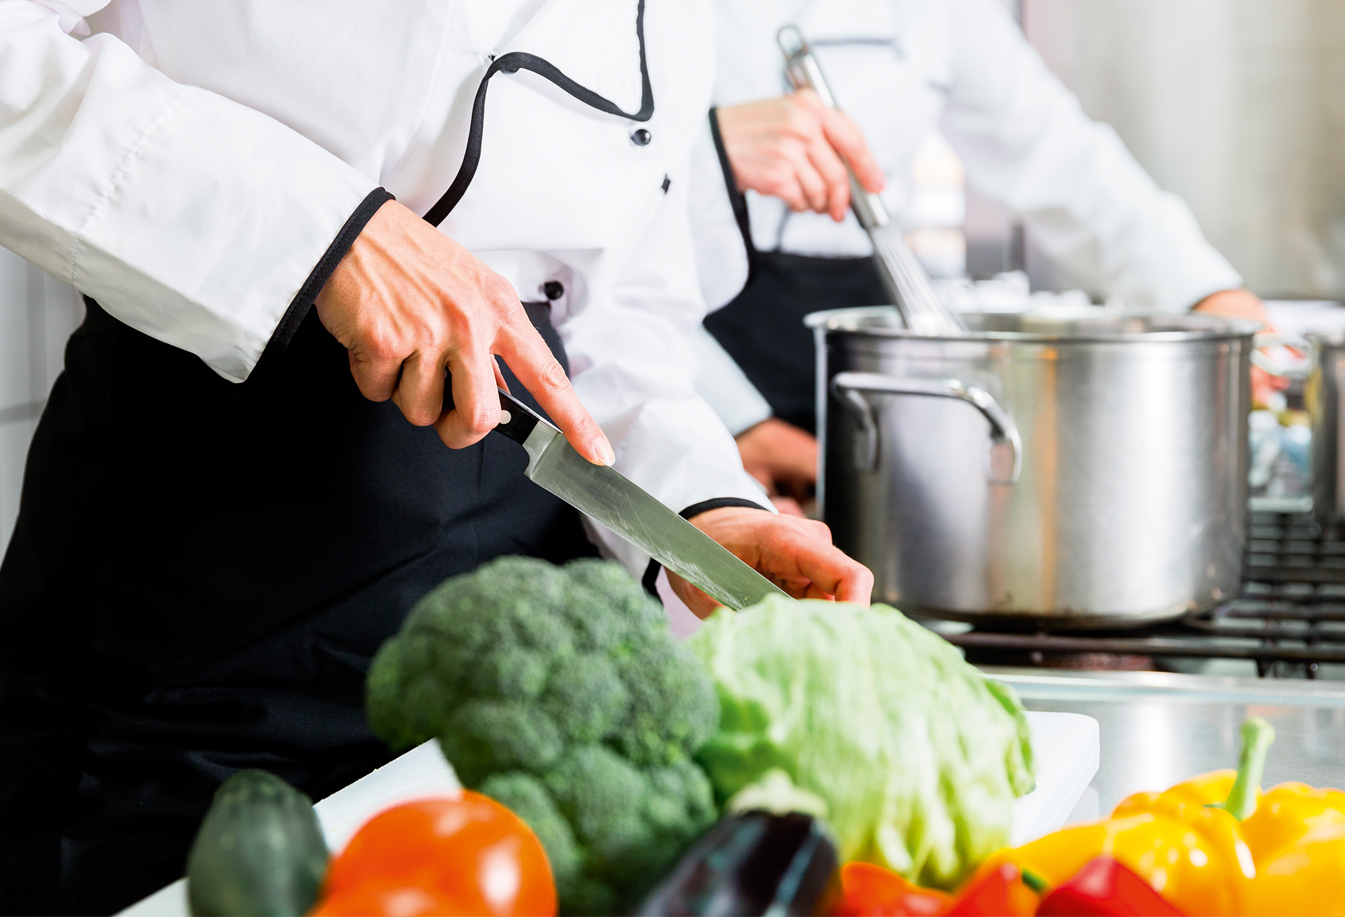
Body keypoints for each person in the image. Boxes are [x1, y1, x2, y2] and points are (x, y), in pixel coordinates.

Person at [0, 1, 872, 912]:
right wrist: (329, 234)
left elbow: (613, 316)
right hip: (202, 586)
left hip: (509, 640)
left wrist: (700, 512)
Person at [690, 0, 1276, 503]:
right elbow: (610, 261)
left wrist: (1203, 291)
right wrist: (735, 424)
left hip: (863, 349)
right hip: (686, 349)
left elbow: (1056, 153)